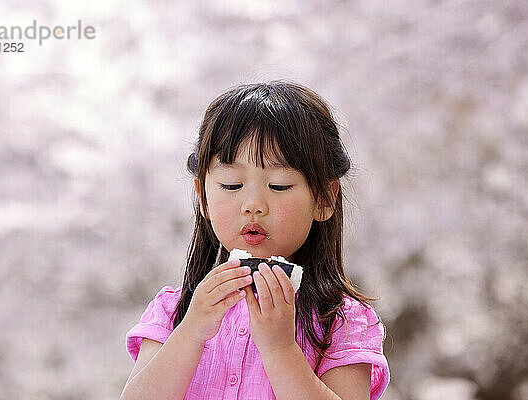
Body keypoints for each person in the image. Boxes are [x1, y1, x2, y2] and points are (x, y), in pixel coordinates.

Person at [120, 80, 390, 400]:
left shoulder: (341, 320)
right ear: (203, 197)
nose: (253, 205)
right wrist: (192, 330)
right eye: (232, 185)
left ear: (323, 200)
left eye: (278, 185)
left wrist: (280, 349)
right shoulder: (174, 310)